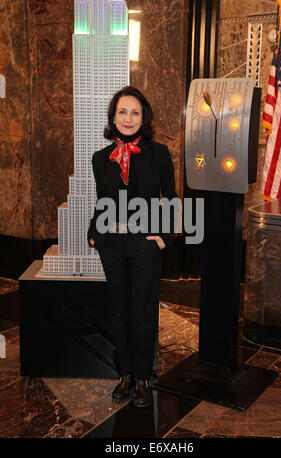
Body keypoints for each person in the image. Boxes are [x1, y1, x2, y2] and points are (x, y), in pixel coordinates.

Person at [87, 86, 177, 408]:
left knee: (142, 312)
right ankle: (124, 374)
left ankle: (142, 377)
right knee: (119, 311)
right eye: (122, 112)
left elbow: (171, 199)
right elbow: (103, 201)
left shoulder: (159, 154)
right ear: (113, 117)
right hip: (112, 244)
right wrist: (94, 233)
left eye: (135, 112)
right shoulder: (101, 158)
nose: (128, 118)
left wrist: (164, 237)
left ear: (144, 117)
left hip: (145, 244)